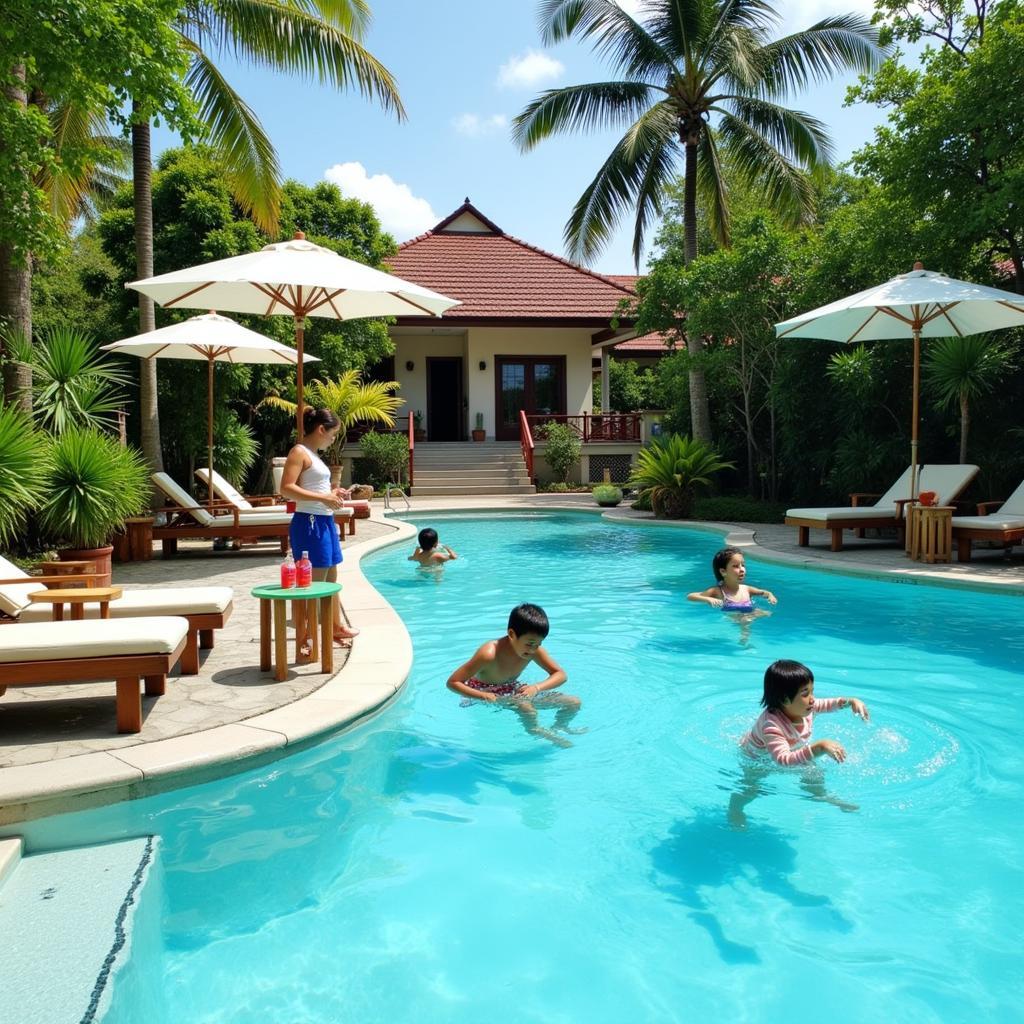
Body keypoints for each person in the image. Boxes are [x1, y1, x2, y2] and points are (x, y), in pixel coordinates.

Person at [729, 660, 869, 826]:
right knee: (751, 787)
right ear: (784, 700)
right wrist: (819, 747)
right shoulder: (772, 726)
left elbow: (828, 704)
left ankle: (820, 795)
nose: (812, 699)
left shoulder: (806, 708)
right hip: (757, 758)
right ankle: (735, 808)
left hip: (788, 747)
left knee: (813, 772)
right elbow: (783, 760)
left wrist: (850, 702)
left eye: (812, 691)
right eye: (805, 694)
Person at [279, 407, 360, 656]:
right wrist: (323, 498)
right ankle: (304, 638)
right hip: (310, 521)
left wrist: (333, 494)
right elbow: (286, 488)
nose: (333, 439)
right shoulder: (298, 452)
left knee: (331, 578)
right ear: (321, 429)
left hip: (324, 521)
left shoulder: (313, 454)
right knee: (311, 583)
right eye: (333, 434)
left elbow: (316, 488)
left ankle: (334, 627)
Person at [447, 603, 583, 748]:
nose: (533, 649)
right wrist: (484, 696)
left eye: (538, 644)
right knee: (527, 708)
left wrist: (536, 688)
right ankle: (535, 730)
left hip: (512, 689)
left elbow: (560, 674)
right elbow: (453, 682)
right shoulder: (489, 653)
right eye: (530, 644)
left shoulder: (533, 650)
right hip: (485, 692)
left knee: (573, 702)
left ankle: (559, 727)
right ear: (512, 634)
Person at [687, 547, 777, 613]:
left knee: (766, 613)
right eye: (736, 566)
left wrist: (770, 595)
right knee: (744, 618)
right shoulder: (717, 591)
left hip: (748, 615)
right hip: (732, 619)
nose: (742, 569)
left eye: (743, 565)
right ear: (723, 571)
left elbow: (764, 592)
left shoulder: (747, 589)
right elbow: (691, 596)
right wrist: (708, 599)